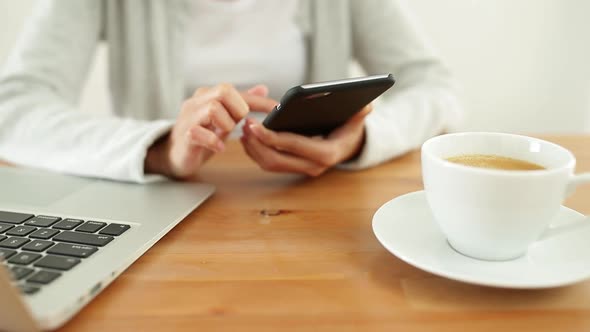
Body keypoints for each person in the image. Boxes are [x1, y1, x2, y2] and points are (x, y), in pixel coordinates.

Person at [0, 0, 461, 183]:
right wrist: (160, 149)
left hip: (313, 206)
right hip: (162, 218)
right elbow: (13, 108)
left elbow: (436, 87)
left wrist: (359, 140)